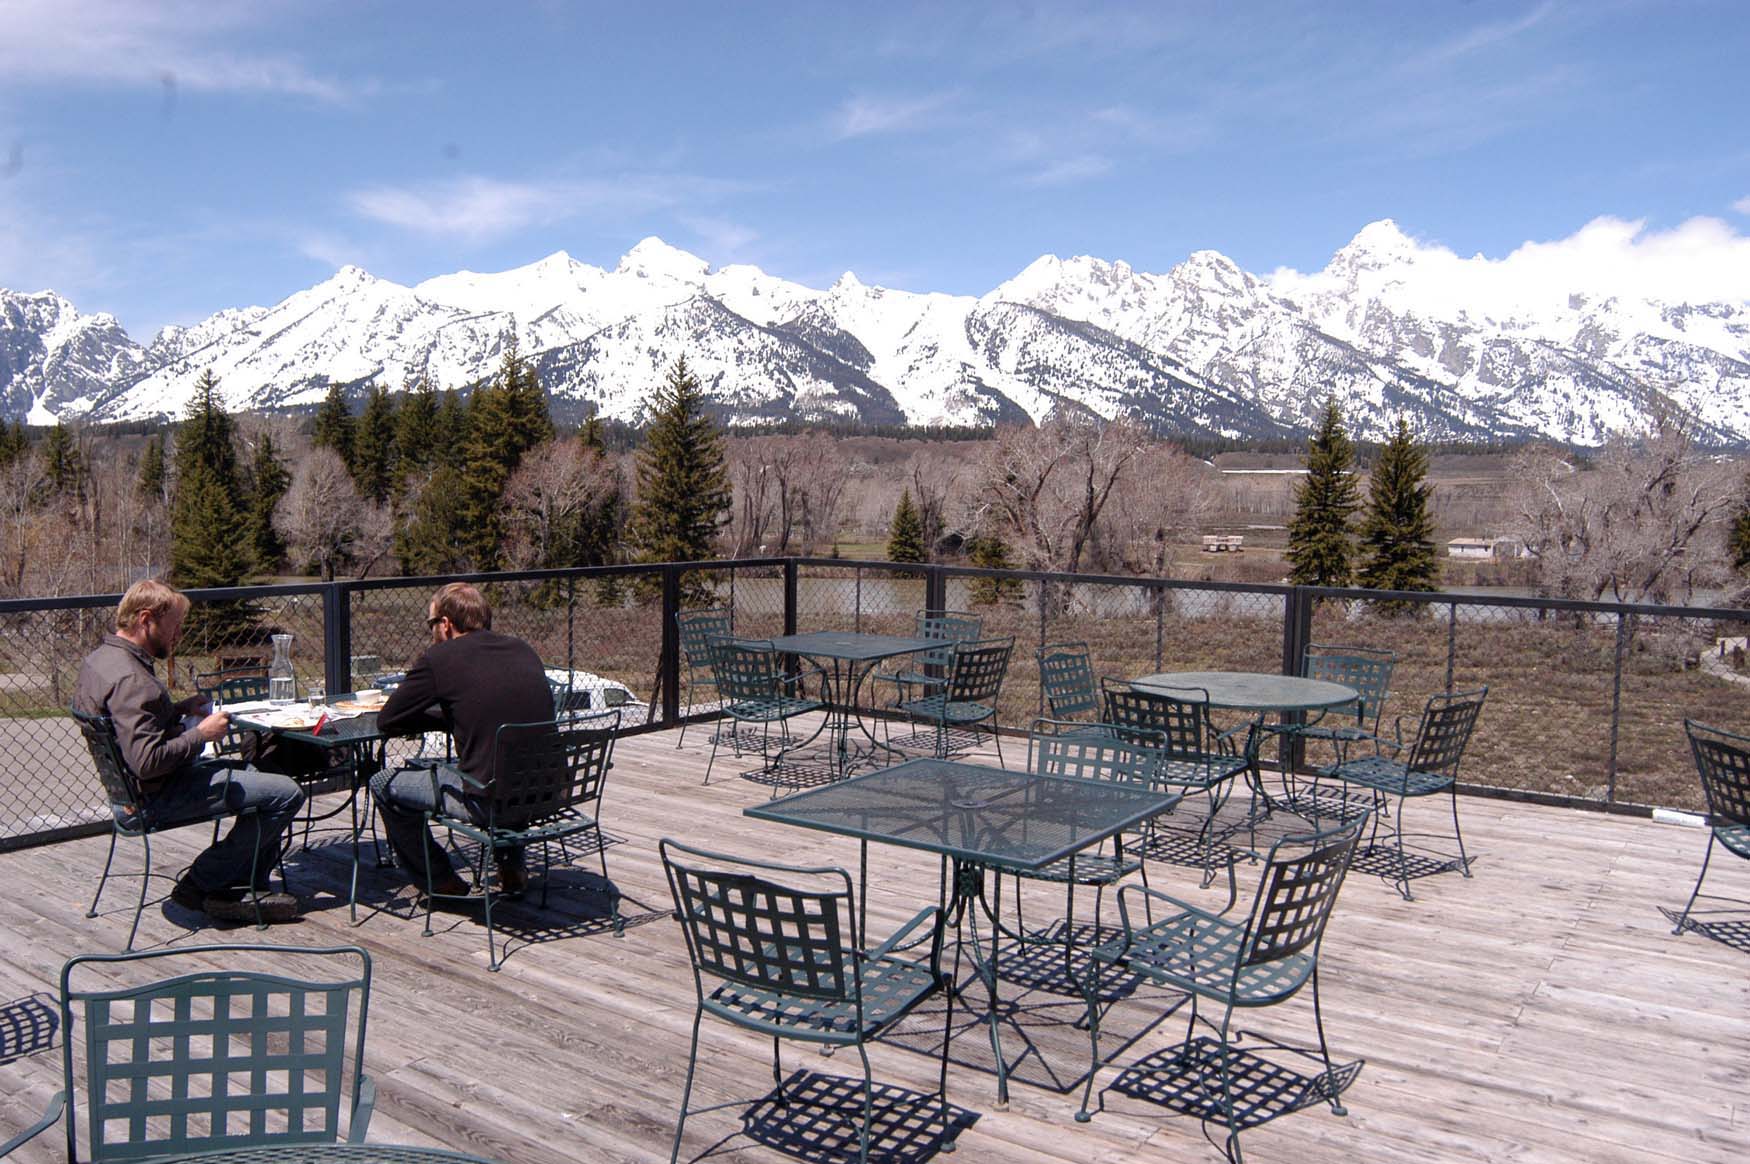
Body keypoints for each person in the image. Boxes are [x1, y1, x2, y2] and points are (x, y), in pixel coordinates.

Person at [73, 579, 305, 923]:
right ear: (146, 619)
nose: (177, 634)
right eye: (174, 626)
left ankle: (238, 887)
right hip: (153, 797)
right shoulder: (132, 680)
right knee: (287, 794)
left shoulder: (101, 661)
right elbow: (147, 762)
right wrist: (201, 733)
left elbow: (131, 725)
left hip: (131, 794)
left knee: (265, 778)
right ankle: (201, 884)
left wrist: (177, 710)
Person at [370, 582, 554, 899]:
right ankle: (512, 867)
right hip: (548, 792)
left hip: (488, 801)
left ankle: (438, 879)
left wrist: (442, 715)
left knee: (383, 782)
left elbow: (388, 720)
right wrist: (455, 715)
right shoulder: (522, 648)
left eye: (432, 624)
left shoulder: (440, 658)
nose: (431, 632)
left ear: (446, 623)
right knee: (508, 761)